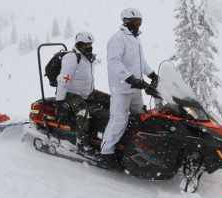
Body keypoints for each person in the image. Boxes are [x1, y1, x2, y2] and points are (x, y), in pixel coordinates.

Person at [100, 8, 158, 167]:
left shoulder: (136, 39)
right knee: (119, 119)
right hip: (121, 88)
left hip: (136, 88)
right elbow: (114, 62)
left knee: (140, 117)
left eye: (140, 22)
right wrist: (129, 78)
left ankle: (133, 146)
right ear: (127, 21)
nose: (138, 25)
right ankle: (106, 153)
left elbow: (141, 62)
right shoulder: (117, 39)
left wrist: (152, 74)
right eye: (136, 22)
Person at [56, 31, 110, 156]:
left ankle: (108, 134)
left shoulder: (87, 57)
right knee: (83, 110)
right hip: (72, 94)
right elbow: (63, 79)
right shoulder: (72, 58)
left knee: (113, 100)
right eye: (87, 44)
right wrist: (60, 102)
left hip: (88, 92)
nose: (90, 46)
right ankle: (82, 144)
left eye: (91, 44)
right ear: (80, 44)